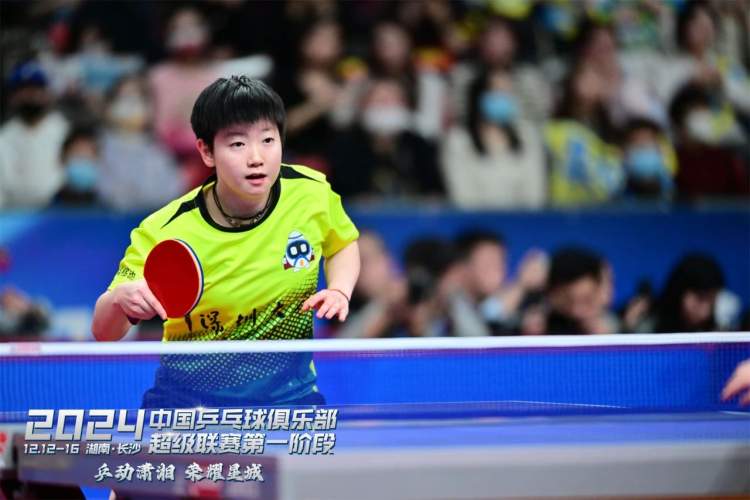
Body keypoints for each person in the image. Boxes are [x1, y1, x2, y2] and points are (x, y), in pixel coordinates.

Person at [91, 76, 360, 406]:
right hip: (188, 405)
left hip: (290, 401)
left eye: (267, 140)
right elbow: (104, 332)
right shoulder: (164, 230)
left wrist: (339, 289)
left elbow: (342, 243)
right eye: (237, 144)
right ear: (207, 152)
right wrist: (119, 300)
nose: (256, 157)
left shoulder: (311, 192)